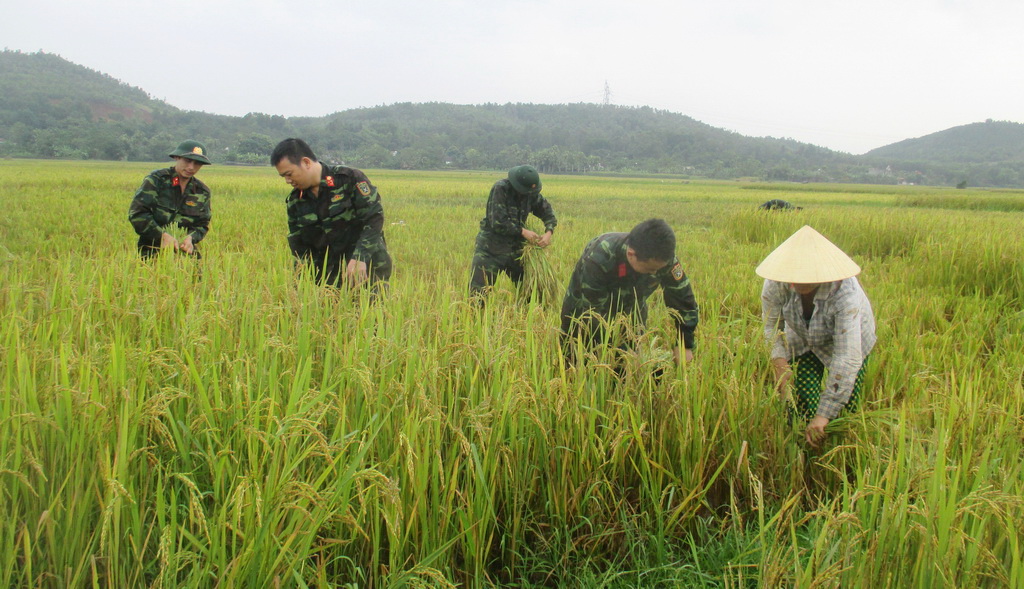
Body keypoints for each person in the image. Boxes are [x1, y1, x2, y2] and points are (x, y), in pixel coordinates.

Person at [757, 225, 876, 448]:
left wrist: (824, 415)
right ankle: (805, 447)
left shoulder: (844, 294)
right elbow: (771, 328)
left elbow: (847, 357)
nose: (799, 283)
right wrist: (781, 369)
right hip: (802, 337)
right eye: (795, 276)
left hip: (848, 340)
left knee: (844, 407)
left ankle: (838, 450)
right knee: (802, 397)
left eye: (808, 277)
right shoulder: (775, 283)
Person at [560, 218, 698, 366]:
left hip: (632, 307)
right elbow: (594, 312)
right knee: (579, 360)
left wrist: (685, 343)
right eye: (651, 270)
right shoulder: (600, 256)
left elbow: (683, 298)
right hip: (585, 308)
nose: (656, 273)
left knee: (628, 369)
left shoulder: (664, 259)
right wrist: (620, 350)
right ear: (631, 254)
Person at [271, 138, 392, 288]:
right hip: (329, 278)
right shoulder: (296, 201)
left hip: (367, 268)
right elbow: (301, 249)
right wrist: (300, 285)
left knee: (370, 310)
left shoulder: (349, 179)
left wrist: (360, 257)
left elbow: (374, 218)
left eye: (289, 174)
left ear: (306, 162)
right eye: (284, 177)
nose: (287, 181)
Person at [469, 165, 557, 297]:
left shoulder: (530, 194)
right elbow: (498, 222)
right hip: (491, 249)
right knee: (478, 297)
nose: (528, 195)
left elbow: (548, 212)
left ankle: (528, 315)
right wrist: (523, 232)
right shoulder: (501, 189)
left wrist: (549, 231)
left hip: (516, 251)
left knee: (532, 293)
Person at [128, 140, 212, 259]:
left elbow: (202, 224)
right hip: (152, 249)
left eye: (197, 163)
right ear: (177, 157)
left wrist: (190, 238)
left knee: (198, 276)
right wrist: (162, 236)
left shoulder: (201, 191)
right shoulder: (157, 180)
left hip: (185, 251)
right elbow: (138, 214)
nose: (191, 167)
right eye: (187, 161)